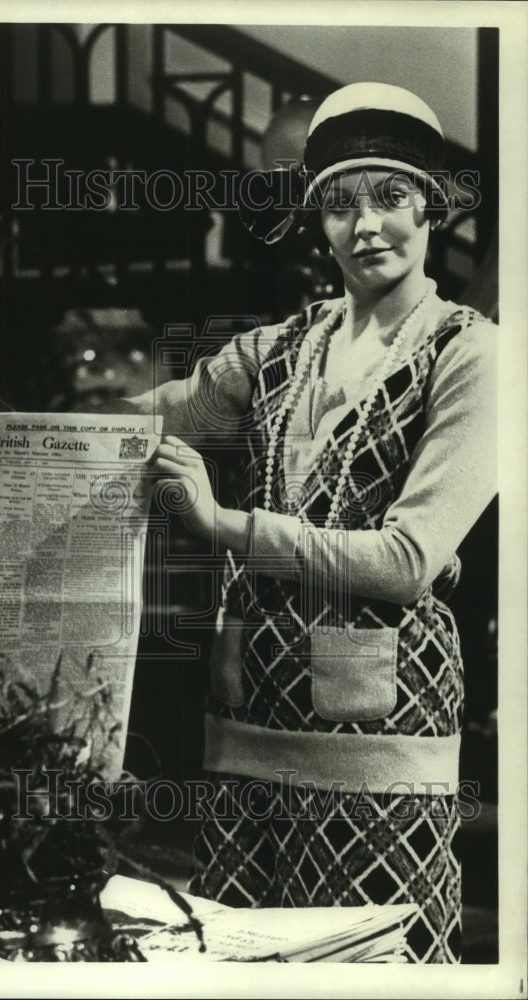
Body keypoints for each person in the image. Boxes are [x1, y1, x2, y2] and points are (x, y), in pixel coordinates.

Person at [135, 83, 496, 963]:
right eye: (338, 204)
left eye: (390, 197)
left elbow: (407, 561)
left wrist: (226, 528)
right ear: (316, 220)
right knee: (235, 962)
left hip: (379, 756)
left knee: (374, 968)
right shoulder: (276, 351)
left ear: (434, 208)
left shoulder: (475, 353)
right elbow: (142, 425)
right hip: (243, 741)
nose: (364, 224)